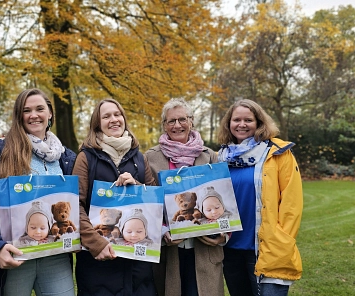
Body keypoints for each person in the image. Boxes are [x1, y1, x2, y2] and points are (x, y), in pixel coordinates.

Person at [0, 88, 76, 296]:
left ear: (50, 113)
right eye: (26, 110)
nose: (33, 115)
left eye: (40, 109)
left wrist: (77, 237)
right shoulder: (0, 153)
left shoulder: (66, 157)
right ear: (19, 116)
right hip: (15, 255)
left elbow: (78, 204)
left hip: (55, 257)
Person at [217, 99, 303, 296]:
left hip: (267, 248)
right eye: (236, 119)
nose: (242, 124)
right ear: (228, 123)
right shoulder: (220, 157)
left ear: (259, 123)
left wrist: (283, 239)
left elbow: (292, 204)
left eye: (248, 119)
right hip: (230, 248)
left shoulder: (278, 154)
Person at [73, 98, 158, 295]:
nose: (114, 119)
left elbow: (155, 202)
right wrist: (96, 244)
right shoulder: (86, 158)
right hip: (99, 263)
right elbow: (75, 205)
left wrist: (137, 186)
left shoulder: (139, 158)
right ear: (97, 123)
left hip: (137, 265)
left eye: (117, 114)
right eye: (106, 116)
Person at [145, 97, 225, 296]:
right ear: (164, 125)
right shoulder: (150, 158)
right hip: (170, 249)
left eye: (182, 119)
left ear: (191, 121)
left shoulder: (209, 156)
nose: (177, 125)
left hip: (205, 247)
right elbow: (148, 203)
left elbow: (224, 196)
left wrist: (224, 232)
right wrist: (163, 230)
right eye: (171, 121)